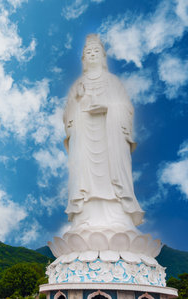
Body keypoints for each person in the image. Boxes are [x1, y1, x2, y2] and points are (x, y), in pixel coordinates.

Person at [63, 34, 144, 232]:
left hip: (110, 137)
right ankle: (84, 219)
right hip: (84, 137)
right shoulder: (77, 85)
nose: (92, 55)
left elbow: (126, 108)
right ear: (83, 58)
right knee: (82, 174)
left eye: (95, 51)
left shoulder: (113, 82)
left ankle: (118, 219)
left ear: (103, 56)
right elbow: (68, 115)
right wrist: (79, 100)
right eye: (88, 52)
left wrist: (108, 107)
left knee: (111, 175)